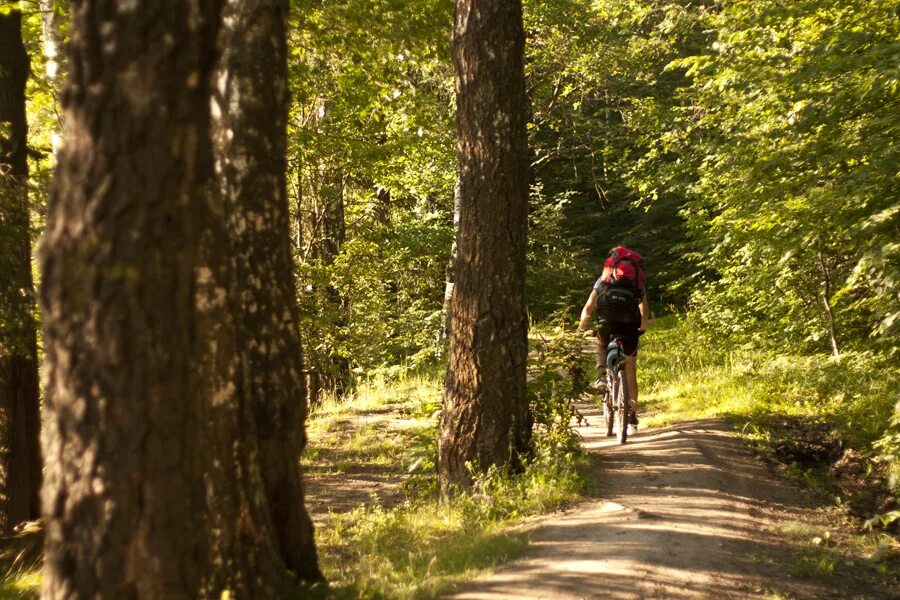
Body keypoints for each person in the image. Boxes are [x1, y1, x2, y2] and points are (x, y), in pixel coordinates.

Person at [578, 246, 649, 430]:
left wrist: (581, 329)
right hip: (630, 325)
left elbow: (588, 307)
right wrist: (643, 327)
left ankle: (601, 375)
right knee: (631, 369)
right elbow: (644, 311)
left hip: (606, 322)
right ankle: (632, 415)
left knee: (601, 346)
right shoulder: (636, 283)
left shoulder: (604, 279)